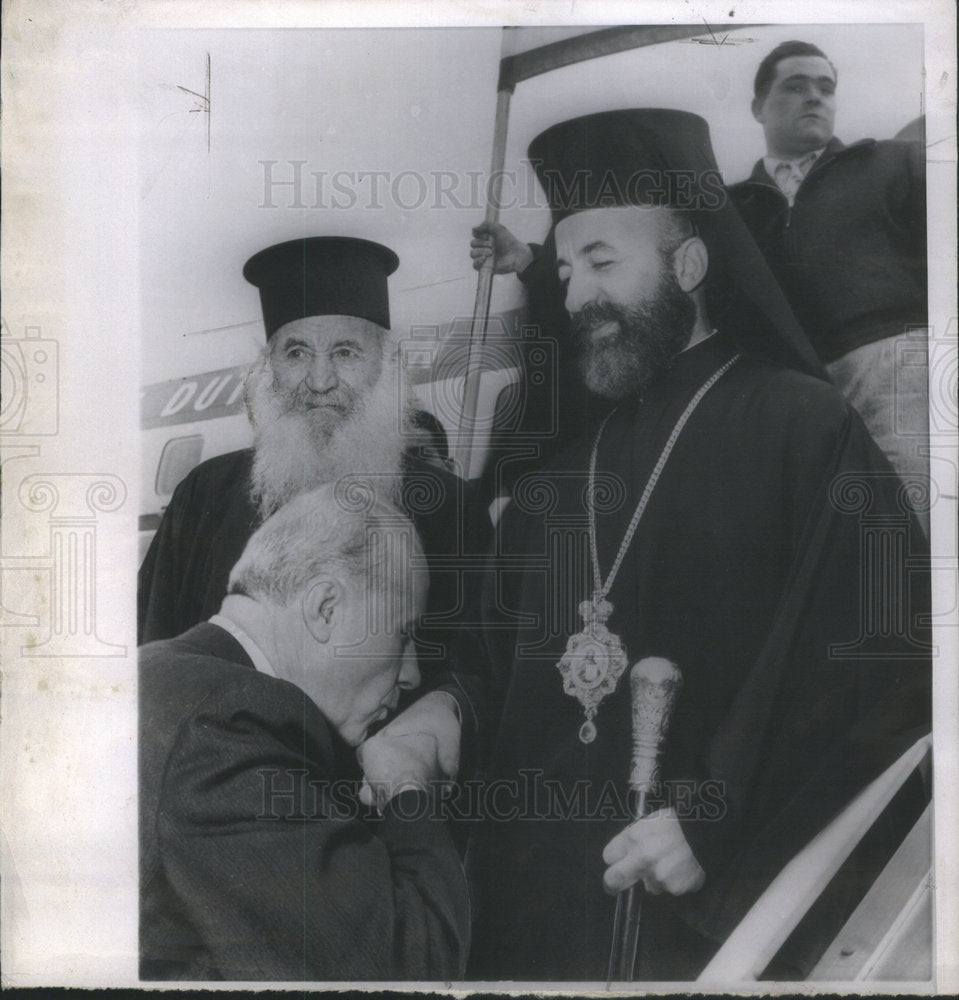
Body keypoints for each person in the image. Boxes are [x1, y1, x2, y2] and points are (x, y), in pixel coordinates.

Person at [394, 109, 929, 981]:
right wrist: (439, 711)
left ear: (688, 264)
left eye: (602, 262)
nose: (573, 296)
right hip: (538, 912)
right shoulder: (552, 486)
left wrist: (711, 812)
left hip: (708, 905)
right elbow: (493, 665)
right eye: (565, 270)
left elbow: (876, 648)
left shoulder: (800, 425)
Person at [139, 485, 469, 981]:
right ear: (326, 609)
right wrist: (408, 789)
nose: (412, 675)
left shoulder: (158, 669)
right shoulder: (230, 724)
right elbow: (414, 966)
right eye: (403, 633)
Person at [138, 237, 490, 668]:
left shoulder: (451, 508)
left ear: (385, 365)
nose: (320, 380)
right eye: (297, 352)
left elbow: (473, 673)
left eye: (345, 352)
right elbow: (153, 659)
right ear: (269, 370)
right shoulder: (204, 495)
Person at [728, 41, 929, 527]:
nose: (815, 97)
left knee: (918, 515)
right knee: (830, 533)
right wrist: (533, 263)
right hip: (792, 388)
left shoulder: (894, 161)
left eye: (825, 88)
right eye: (795, 87)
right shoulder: (731, 208)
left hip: (895, 365)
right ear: (758, 107)